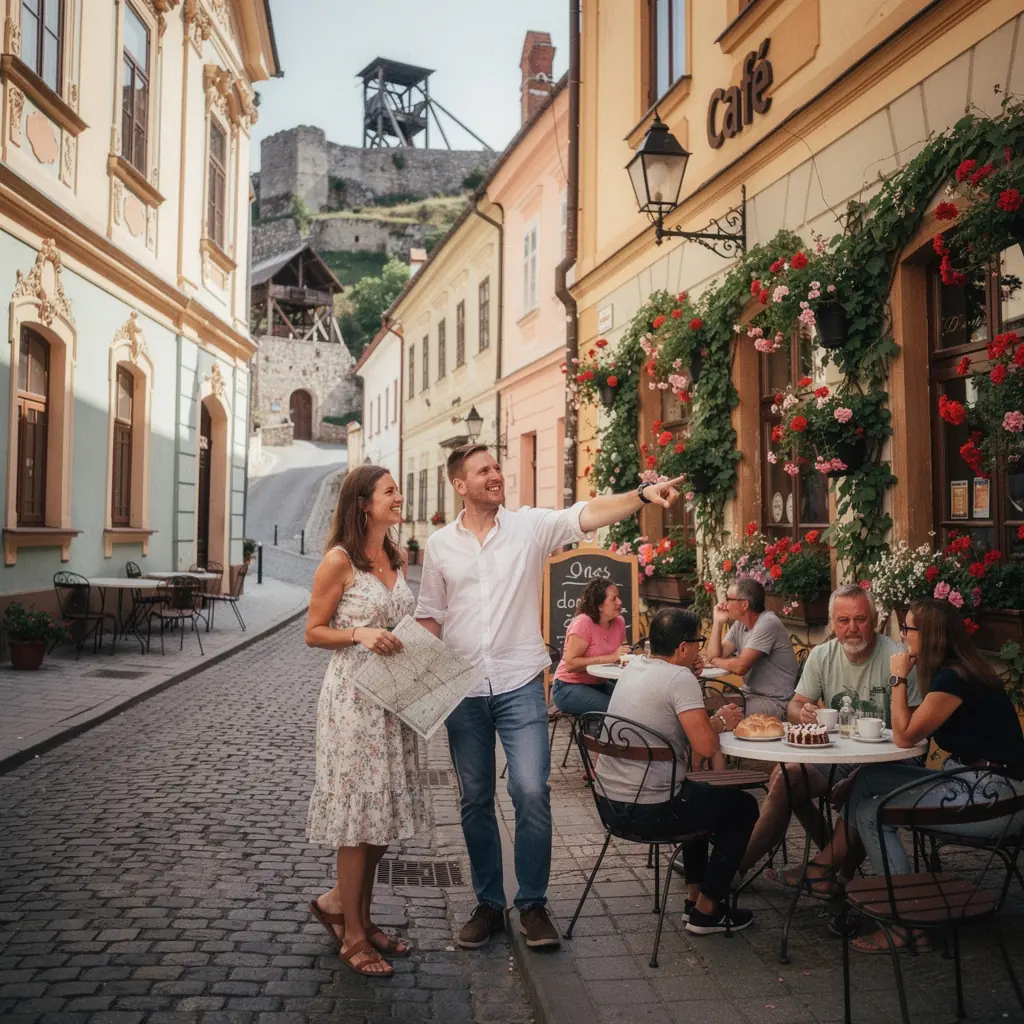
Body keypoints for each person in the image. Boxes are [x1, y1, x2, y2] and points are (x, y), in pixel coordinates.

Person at [415, 444, 683, 950]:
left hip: (518, 683)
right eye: (484, 471)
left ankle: (532, 904)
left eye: (497, 466)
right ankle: (489, 904)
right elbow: (431, 614)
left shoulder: (529, 527)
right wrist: (407, 678)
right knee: (474, 800)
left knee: (532, 791)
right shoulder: (439, 546)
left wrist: (644, 495)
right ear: (460, 485)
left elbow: (588, 511)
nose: (496, 475)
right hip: (463, 688)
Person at [781, 599, 1024, 954]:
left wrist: (897, 676)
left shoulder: (954, 678)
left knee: (871, 814)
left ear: (931, 636)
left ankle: (905, 924)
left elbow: (904, 735)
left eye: (908, 629)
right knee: (867, 780)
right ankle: (824, 869)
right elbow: (913, 720)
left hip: (995, 797)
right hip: (975, 781)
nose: (903, 635)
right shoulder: (958, 671)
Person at [304, 466, 430, 977]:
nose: (398, 497)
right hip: (353, 702)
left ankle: (351, 912)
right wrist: (358, 634)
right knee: (357, 819)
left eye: (398, 490)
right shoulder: (339, 561)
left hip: (392, 701)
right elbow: (313, 632)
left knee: (379, 819)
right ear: (362, 503)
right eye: (389, 491)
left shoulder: (395, 556)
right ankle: (353, 936)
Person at [740, 584, 921, 877]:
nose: (852, 628)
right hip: (839, 755)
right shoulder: (822, 655)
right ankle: (738, 867)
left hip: (892, 760)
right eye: (843, 620)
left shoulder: (899, 658)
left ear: (874, 621)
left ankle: (826, 869)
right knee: (787, 777)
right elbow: (795, 706)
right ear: (832, 623)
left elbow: (914, 729)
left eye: (860, 619)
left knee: (862, 789)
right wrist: (804, 713)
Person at [596, 608, 756, 934]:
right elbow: (707, 747)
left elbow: (668, 712)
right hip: (653, 812)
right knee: (742, 807)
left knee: (697, 791)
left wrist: (690, 679)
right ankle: (708, 910)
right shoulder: (678, 679)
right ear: (683, 648)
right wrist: (723, 721)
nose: (700, 649)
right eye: (697, 642)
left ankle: (694, 899)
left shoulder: (635, 666)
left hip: (610, 807)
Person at [705, 578, 798, 718]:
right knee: (705, 706)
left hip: (776, 701)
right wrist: (717, 622)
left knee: (722, 716)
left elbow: (740, 667)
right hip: (750, 695)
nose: (724, 604)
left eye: (728, 598)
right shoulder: (740, 624)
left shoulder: (767, 623)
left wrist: (714, 660)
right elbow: (717, 653)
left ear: (744, 604)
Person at [552, 578, 629, 720]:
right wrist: (612, 657)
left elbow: (622, 656)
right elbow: (571, 664)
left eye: (618, 597)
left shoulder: (619, 622)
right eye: (613, 599)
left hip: (600, 684)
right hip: (568, 686)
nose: (619, 602)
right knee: (615, 710)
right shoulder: (583, 623)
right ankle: (595, 740)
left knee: (631, 704)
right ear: (600, 605)